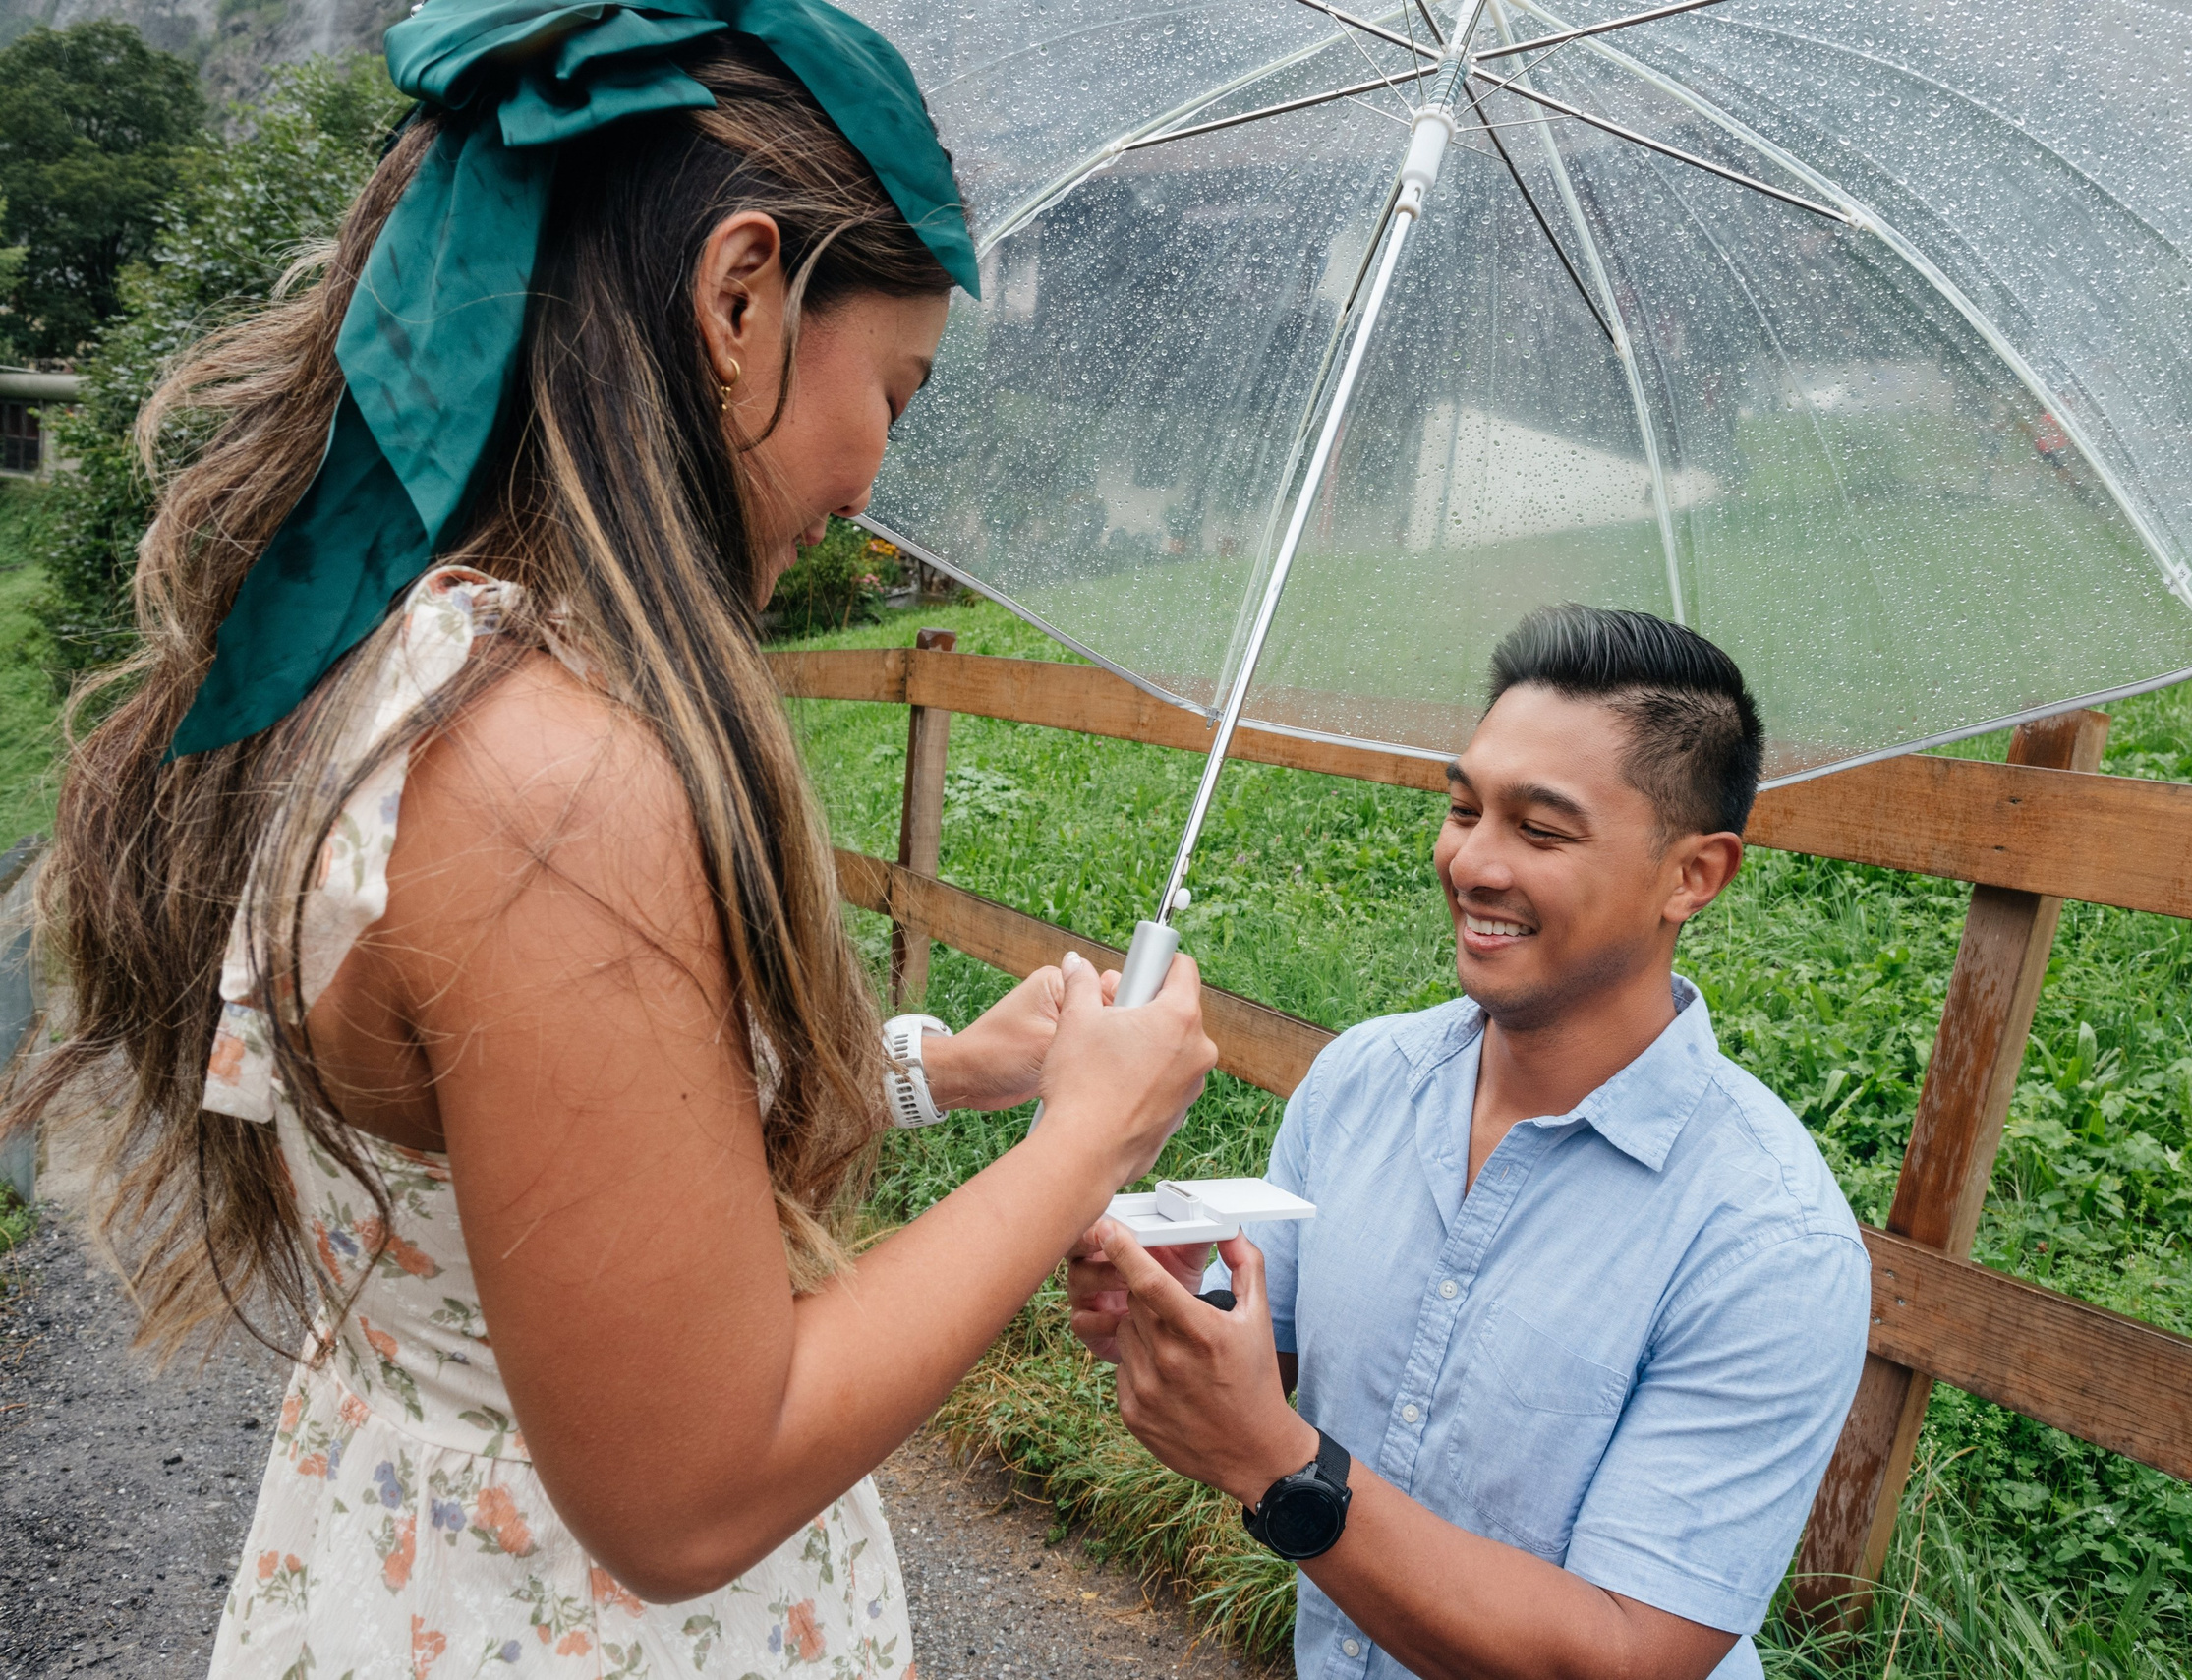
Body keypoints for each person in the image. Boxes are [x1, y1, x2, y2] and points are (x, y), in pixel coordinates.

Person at [3, 5, 1215, 1675]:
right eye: (896, 390)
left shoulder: (420, 669)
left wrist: (948, 1066)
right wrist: (1085, 1141)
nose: (871, 479)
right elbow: (690, 1489)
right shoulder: (557, 787)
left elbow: (591, 1145)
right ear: (740, 298)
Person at [1067, 605, 1872, 1680]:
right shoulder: (1361, 1079)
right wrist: (1166, 1313)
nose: (1472, 862)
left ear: (1695, 874)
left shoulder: (1767, 1239)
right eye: (1461, 806)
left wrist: (1277, 1462)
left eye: (1540, 831)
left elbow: (1626, 1655)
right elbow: (1272, 1350)